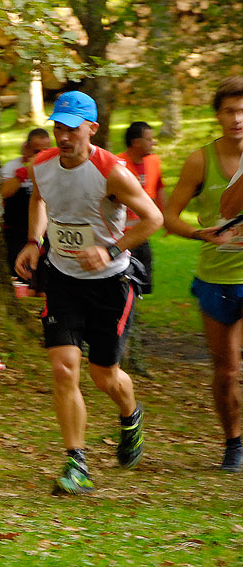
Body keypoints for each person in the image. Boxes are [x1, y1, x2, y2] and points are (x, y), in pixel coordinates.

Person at [15, 91, 162, 494]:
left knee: (104, 376)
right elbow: (42, 199)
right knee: (64, 368)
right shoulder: (41, 165)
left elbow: (153, 218)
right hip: (63, 279)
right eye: (58, 127)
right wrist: (33, 240)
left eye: (72, 129)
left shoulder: (111, 171)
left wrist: (112, 248)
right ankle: (76, 462)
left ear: (92, 129)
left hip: (111, 284)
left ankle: (130, 415)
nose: (63, 137)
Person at [163, 76, 243, 472]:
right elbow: (169, 216)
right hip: (217, 277)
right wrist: (199, 233)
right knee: (226, 371)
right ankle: (233, 443)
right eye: (230, 110)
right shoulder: (201, 160)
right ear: (217, 115)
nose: (238, 118)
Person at [117, 121, 165, 295]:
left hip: (142, 233)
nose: (153, 142)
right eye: (149, 139)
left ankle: (134, 309)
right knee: (122, 279)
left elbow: (159, 187)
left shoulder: (153, 161)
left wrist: (165, 217)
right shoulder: (118, 164)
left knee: (144, 280)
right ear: (136, 142)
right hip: (121, 235)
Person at [0, 128, 51, 280]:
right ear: (26, 148)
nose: (40, 155)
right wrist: (24, 173)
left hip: (45, 230)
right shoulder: (11, 167)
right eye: (37, 151)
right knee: (20, 276)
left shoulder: (53, 168)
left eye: (45, 150)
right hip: (16, 231)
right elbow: (3, 192)